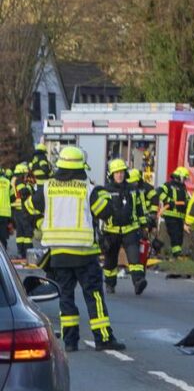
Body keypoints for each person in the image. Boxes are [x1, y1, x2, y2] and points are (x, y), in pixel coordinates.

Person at [24, 146, 126, 351]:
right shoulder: (88, 189)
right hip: (84, 254)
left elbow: (28, 209)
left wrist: (41, 225)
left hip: (59, 255)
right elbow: (106, 212)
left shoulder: (47, 188)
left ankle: (70, 342)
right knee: (94, 296)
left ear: (59, 165)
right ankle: (103, 338)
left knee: (66, 297)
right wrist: (104, 194)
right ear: (81, 167)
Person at [101, 159, 148, 295]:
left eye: (121, 172)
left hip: (130, 229)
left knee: (135, 259)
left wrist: (145, 226)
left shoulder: (133, 190)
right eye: (116, 173)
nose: (119, 175)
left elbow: (140, 208)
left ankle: (138, 282)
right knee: (110, 261)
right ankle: (110, 284)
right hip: (111, 231)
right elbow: (99, 211)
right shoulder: (106, 190)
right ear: (112, 175)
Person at [158, 166, 191, 258]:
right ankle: (177, 254)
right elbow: (159, 192)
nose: (184, 180)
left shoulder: (183, 187)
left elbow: (186, 198)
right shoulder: (168, 185)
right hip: (170, 215)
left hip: (180, 217)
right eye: (184, 178)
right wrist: (169, 201)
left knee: (179, 236)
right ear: (179, 176)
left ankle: (176, 253)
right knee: (175, 235)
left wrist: (188, 202)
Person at [11, 162, 34, 259]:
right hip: (22, 209)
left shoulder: (14, 179)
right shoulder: (19, 181)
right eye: (25, 174)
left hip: (17, 209)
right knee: (27, 233)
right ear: (21, 173)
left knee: (20, 233)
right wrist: (30, 186)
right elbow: (23, 192)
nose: (26, 176)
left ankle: (22, 253)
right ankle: (28, 253)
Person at [0, 171, 11, 249]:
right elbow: (12, 195)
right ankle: (3, 250)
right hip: (5, 212)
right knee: (3, 233)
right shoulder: (7, 182)